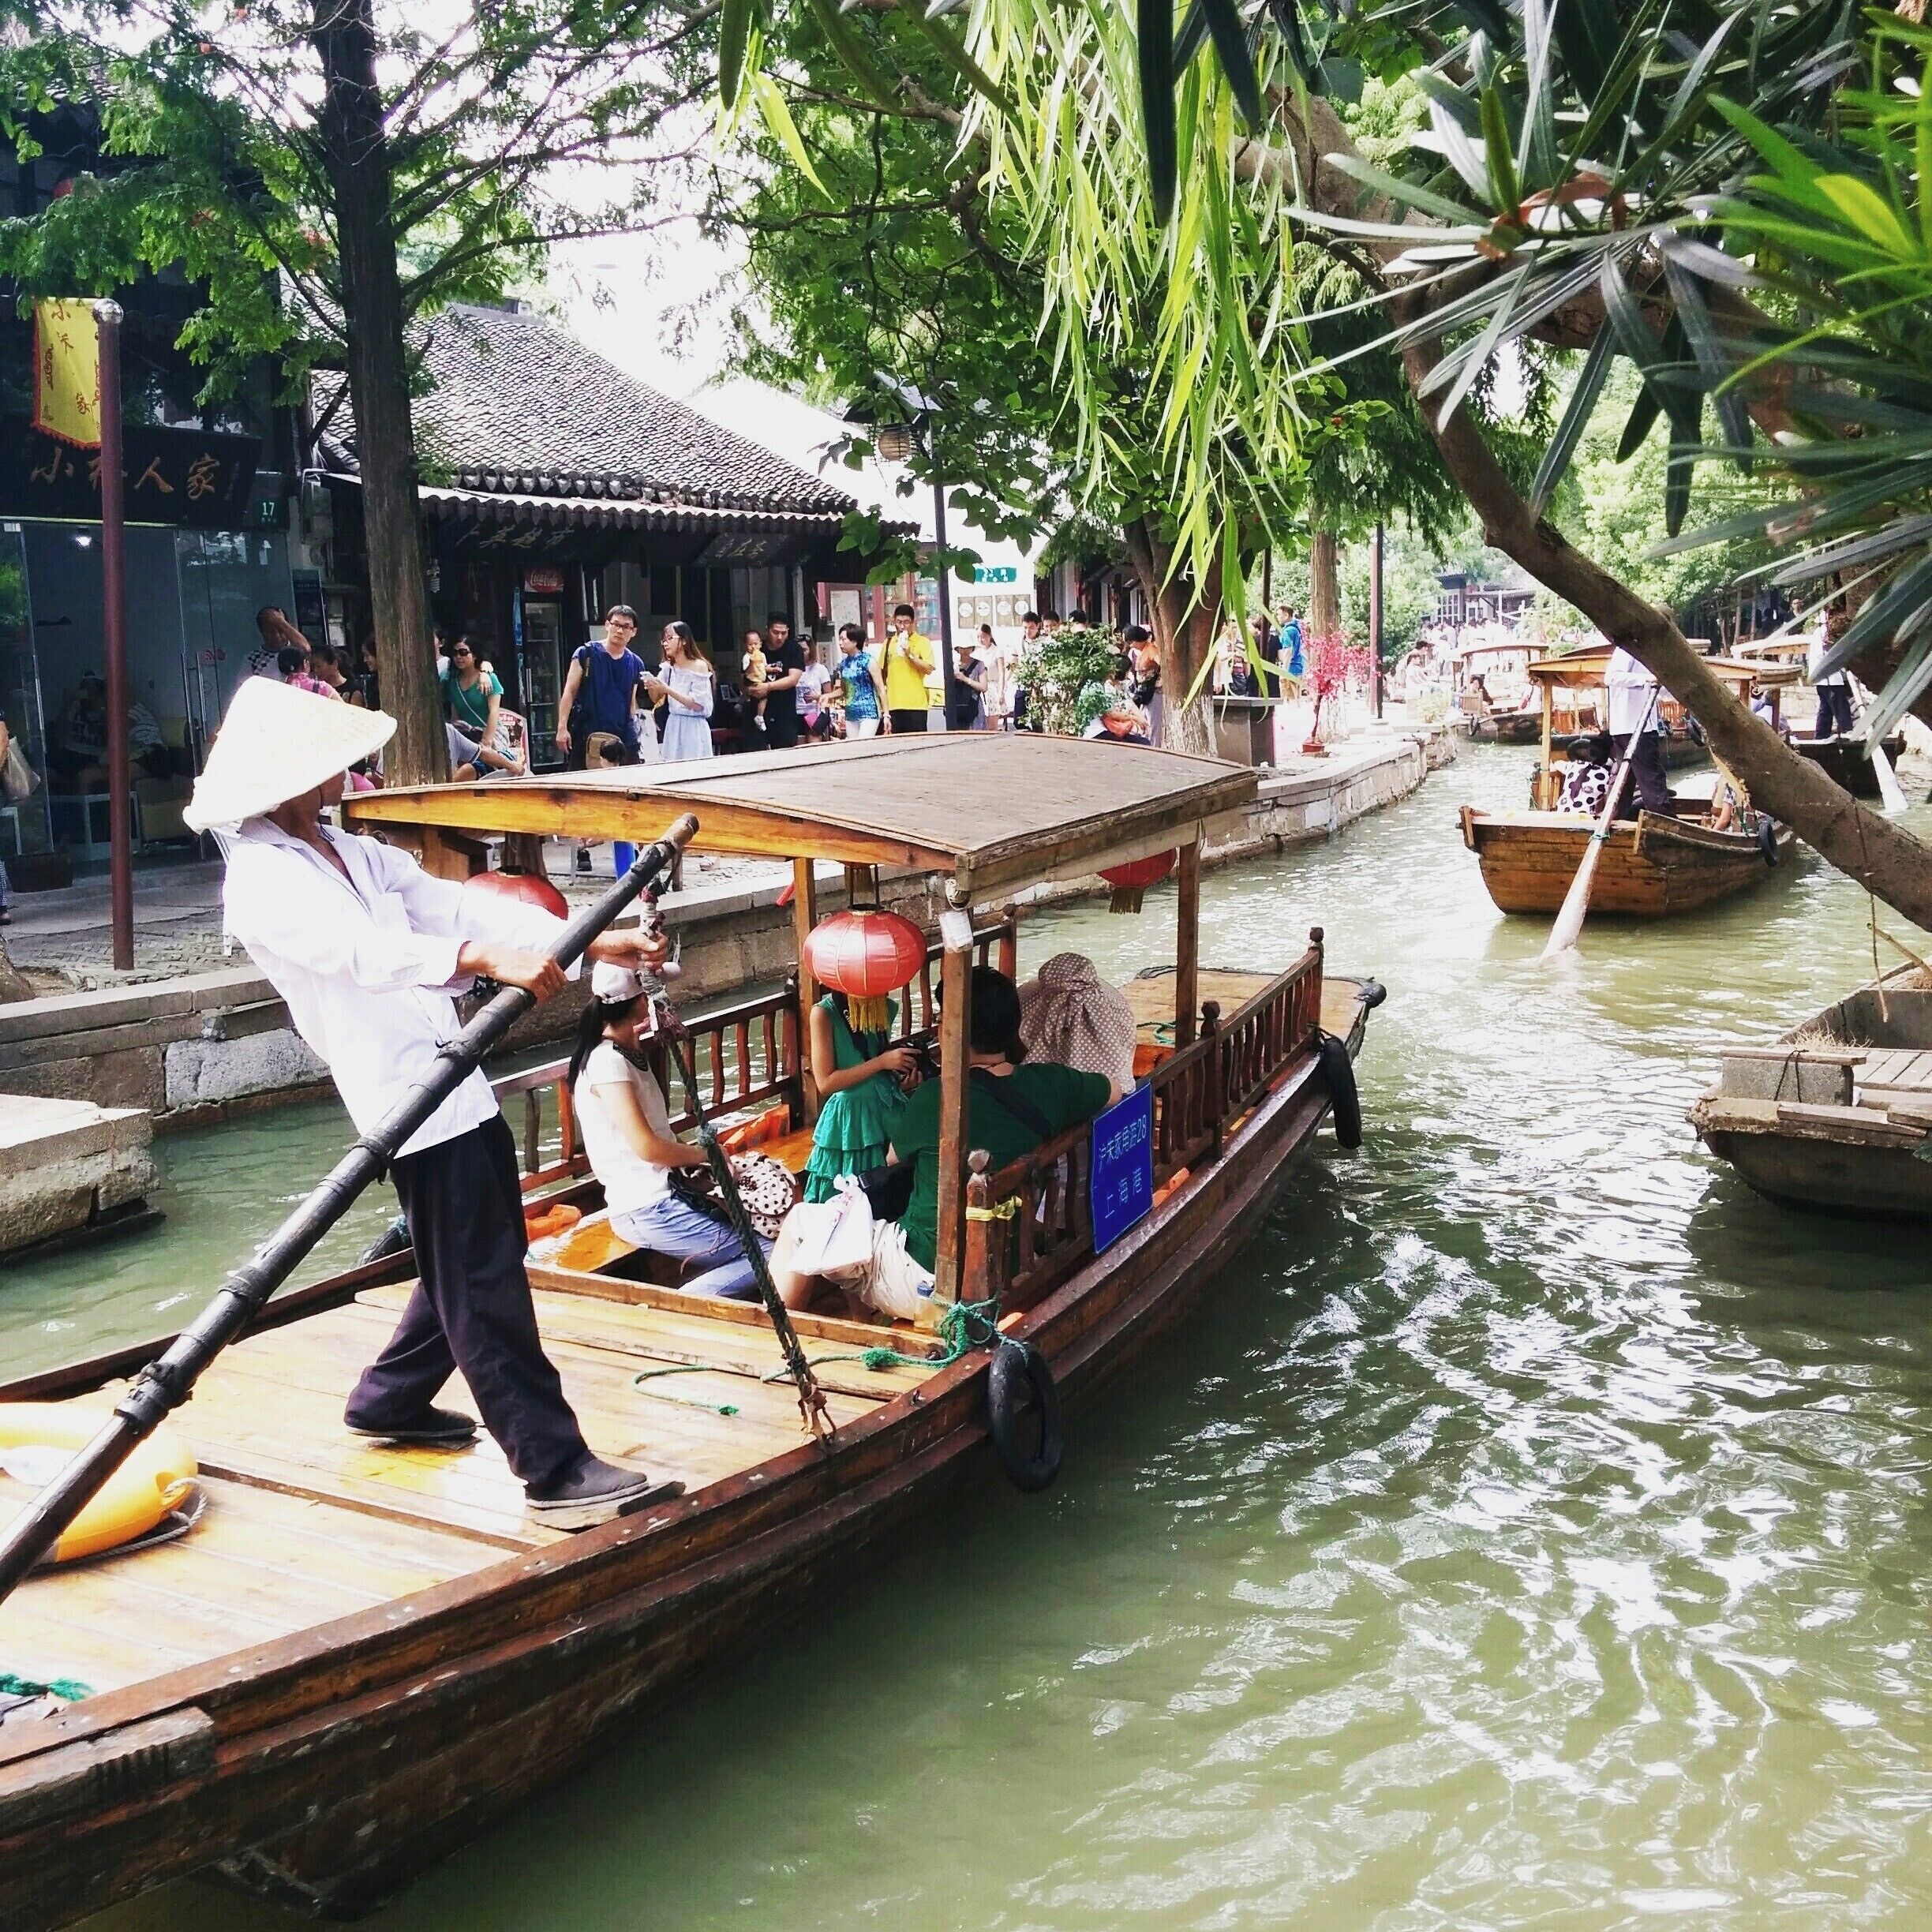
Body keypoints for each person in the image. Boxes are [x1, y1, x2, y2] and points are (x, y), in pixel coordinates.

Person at [185, 676, 678, 1527]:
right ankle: (552, 1467)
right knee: (483, 1278)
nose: (348, 771)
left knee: (480, 1249)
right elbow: (362, 953)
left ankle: (389, 1398)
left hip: (454, 1075)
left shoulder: (351, 849)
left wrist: (597, 936)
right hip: (399, 1090)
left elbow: (449, 903)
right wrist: (482, 958)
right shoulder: (264, 878)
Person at [769, 966, 1115, 1314]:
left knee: (801, 1220)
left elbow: (892, 1160)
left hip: (929, 1281)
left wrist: (918, 1098)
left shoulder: (937, 1097)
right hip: (1008, 1266)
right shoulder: (1052, 1084)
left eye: (940, 1018)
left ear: (953, 1029)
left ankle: (783, 1346)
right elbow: (1114, 1090)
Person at [568, 964, 770, 1295]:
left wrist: (702, 1161)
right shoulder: (607, 1062)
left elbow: (661, 1135)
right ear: (637, 1001)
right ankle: (688, 1301)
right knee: (768, 1251)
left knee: (769, 1235)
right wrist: (708, 1154)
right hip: (647, 1207)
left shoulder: (629, 1051)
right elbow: (647, 1147)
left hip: (669, 1193)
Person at [802, 987, 920, 1204]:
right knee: (849, 1194)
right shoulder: (823, 1013)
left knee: (894, 1186)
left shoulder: (881, 1004)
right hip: (851, 1120)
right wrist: (882, 1062)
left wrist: (900, 1083)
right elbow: (826, 1082)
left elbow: (875, 1068)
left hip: (886, 1108)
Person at [556, 605, 650, 875]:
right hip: (587, 730)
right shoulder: (585, 653)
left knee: (629, 793)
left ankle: (628, 849)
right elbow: (570, 691)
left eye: (626, 627)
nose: (619, 630)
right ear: (607, 624)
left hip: (621, 733)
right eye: (616, 624)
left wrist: (635, 732)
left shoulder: (635, 663)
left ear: (633, 632)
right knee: (583, 793)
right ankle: (582, 847)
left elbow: (631, 702)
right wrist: (562, 727)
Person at [1018, 953, 1137, 1095]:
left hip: (1043, 1092)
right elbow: (1128, 1041)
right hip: (1106, 1093)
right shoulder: (1115, 1007)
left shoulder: (1031, 1006)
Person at [1604, 645, 1676, 817]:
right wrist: (1648, 679)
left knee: (1626, 778)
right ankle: (1664, 821)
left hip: (1632, 727)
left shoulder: (1651, 655)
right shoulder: (1628, 649)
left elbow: (1664, 690)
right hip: (1635, 727)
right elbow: (1611, 677)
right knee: (1651, 778)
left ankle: (1617, 817)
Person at [646, 621, 716, 762]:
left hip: (693, 727)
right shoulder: (668, 668)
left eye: (670, 639)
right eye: (664, 640)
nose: (665, 644)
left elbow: (698, 705)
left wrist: (667, 689)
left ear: (684, 640)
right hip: (674, 724)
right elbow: (655, 699)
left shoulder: (699, 666)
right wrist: (652, 686)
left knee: (694, 769)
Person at [747, 612, 806, 751]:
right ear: (767, 630)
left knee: (785, 752)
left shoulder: (794, 649)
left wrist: (767, 687)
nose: (780, 637)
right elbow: (744, 674)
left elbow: (793, 678)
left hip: (784, 710)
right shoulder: (757, 648)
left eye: (783, 633)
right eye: (775, 632)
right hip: (757, 709)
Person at [880, 603, 934, 734]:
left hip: (916, 704)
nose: (902, 626)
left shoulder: (923, 642)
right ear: (894, 621)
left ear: (913, 622)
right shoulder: (888, 643)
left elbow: (929, 668)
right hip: (893, 704)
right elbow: (882, 673)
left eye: (906, 622)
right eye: (899, 622)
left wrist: (910, 655)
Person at [440, 635, 502, 746]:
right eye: (455, 653)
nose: (458, 657)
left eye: (463, 652)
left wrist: (487, 741)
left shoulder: (489, 679)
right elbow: (456, 718)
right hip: (467, 738)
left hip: (490, 736)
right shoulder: (453, 684)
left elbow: (494, 711)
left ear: (474, 655)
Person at [835, 622, 886, 739]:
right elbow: (844, 690)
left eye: (843, 639)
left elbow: (881, 689)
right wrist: (827, 696)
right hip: (851, 713)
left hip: (869, 712)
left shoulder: (869, 661)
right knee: (853, 749)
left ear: (854, 642)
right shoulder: (844, 664)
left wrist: (886, 714)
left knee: (863, 745)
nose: (840, 643)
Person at [1124, 623, 1163, 745]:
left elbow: (1164, 665)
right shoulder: (1141, 651)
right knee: (1145, 719)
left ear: (1138, 640)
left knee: (1153, 721)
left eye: (1132, 642)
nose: (1131, 645)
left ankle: (1155, 746)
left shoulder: (1151, 649)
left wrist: (1160, 681)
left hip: (1154, 691)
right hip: (1143, 691)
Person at [249, 605, 309, 681]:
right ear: (261, 632)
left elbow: (306, 650)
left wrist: (281, 622)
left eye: (280, 629)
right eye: (271, 631)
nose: (277, 635)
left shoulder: (295, 652)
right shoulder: (252, 659)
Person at [948, 635, 989, 732]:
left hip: (973, 705)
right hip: (957, 706)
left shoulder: (979, 664)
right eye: (962, 648)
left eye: (968, 648)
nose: (965, 651)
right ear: (958, 649)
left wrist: (965, 679)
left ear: (973, 649)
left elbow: (984, 687)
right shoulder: (953, 665)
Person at [739, 629, 769, 747]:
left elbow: (764, 667)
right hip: (751, 679)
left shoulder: (762, 655)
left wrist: (773, 669)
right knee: (762, 695)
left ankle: (741, 703)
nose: (753, 647)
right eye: (750, 644)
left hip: (761, 678)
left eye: (756, 644)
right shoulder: (747, 657)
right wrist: (752, 662)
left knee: (763, 696)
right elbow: (745, 671)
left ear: (760, 644)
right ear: (745, 645)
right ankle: (759, 716)